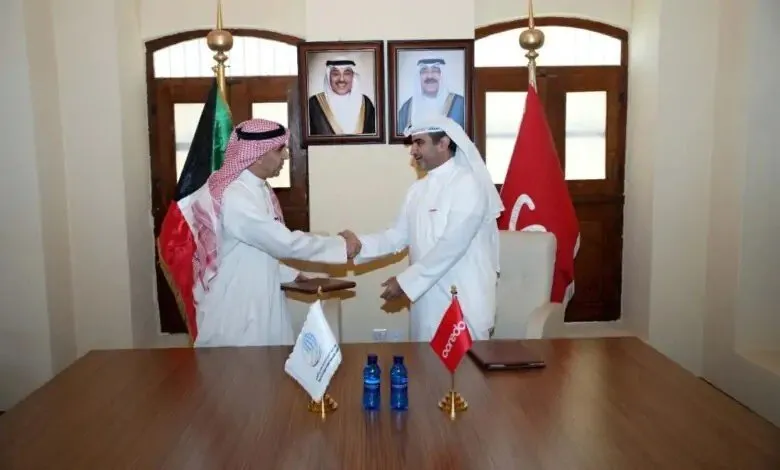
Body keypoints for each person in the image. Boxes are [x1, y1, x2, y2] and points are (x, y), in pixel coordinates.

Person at [187, 118, 360, 347]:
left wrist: (291, 274)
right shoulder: (236, 197)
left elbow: (256, 250)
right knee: (237, 377)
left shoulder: (258, 188)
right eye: (280, 150)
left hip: (260, 297)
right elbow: (284, 242)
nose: (285, 157)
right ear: (258, 155)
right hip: (237, 309)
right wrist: (340, 245)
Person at [341, 116, 503, 341]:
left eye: (419, 143)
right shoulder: (417, 190)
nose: (413, 151)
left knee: (466, 374)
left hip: (464, 300)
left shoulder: (468, 184)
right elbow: (396, 236)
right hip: (426, 302)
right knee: (426, 371)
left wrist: (405, 282)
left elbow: (451, 246)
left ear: (443, 144)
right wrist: (358, 244)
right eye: (413, 144)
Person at [308, 58, 377, 135]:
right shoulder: (314, 104)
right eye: (335, 74)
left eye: (347, 73)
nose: (341, 79)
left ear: (353, 77)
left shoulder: (366, 103)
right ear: (329, 76)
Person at [397, 58, 466, 131]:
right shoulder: (407, 108)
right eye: (424, 71)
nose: (429, 76)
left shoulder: (461, 104)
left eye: (435, 70)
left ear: (443, 75)